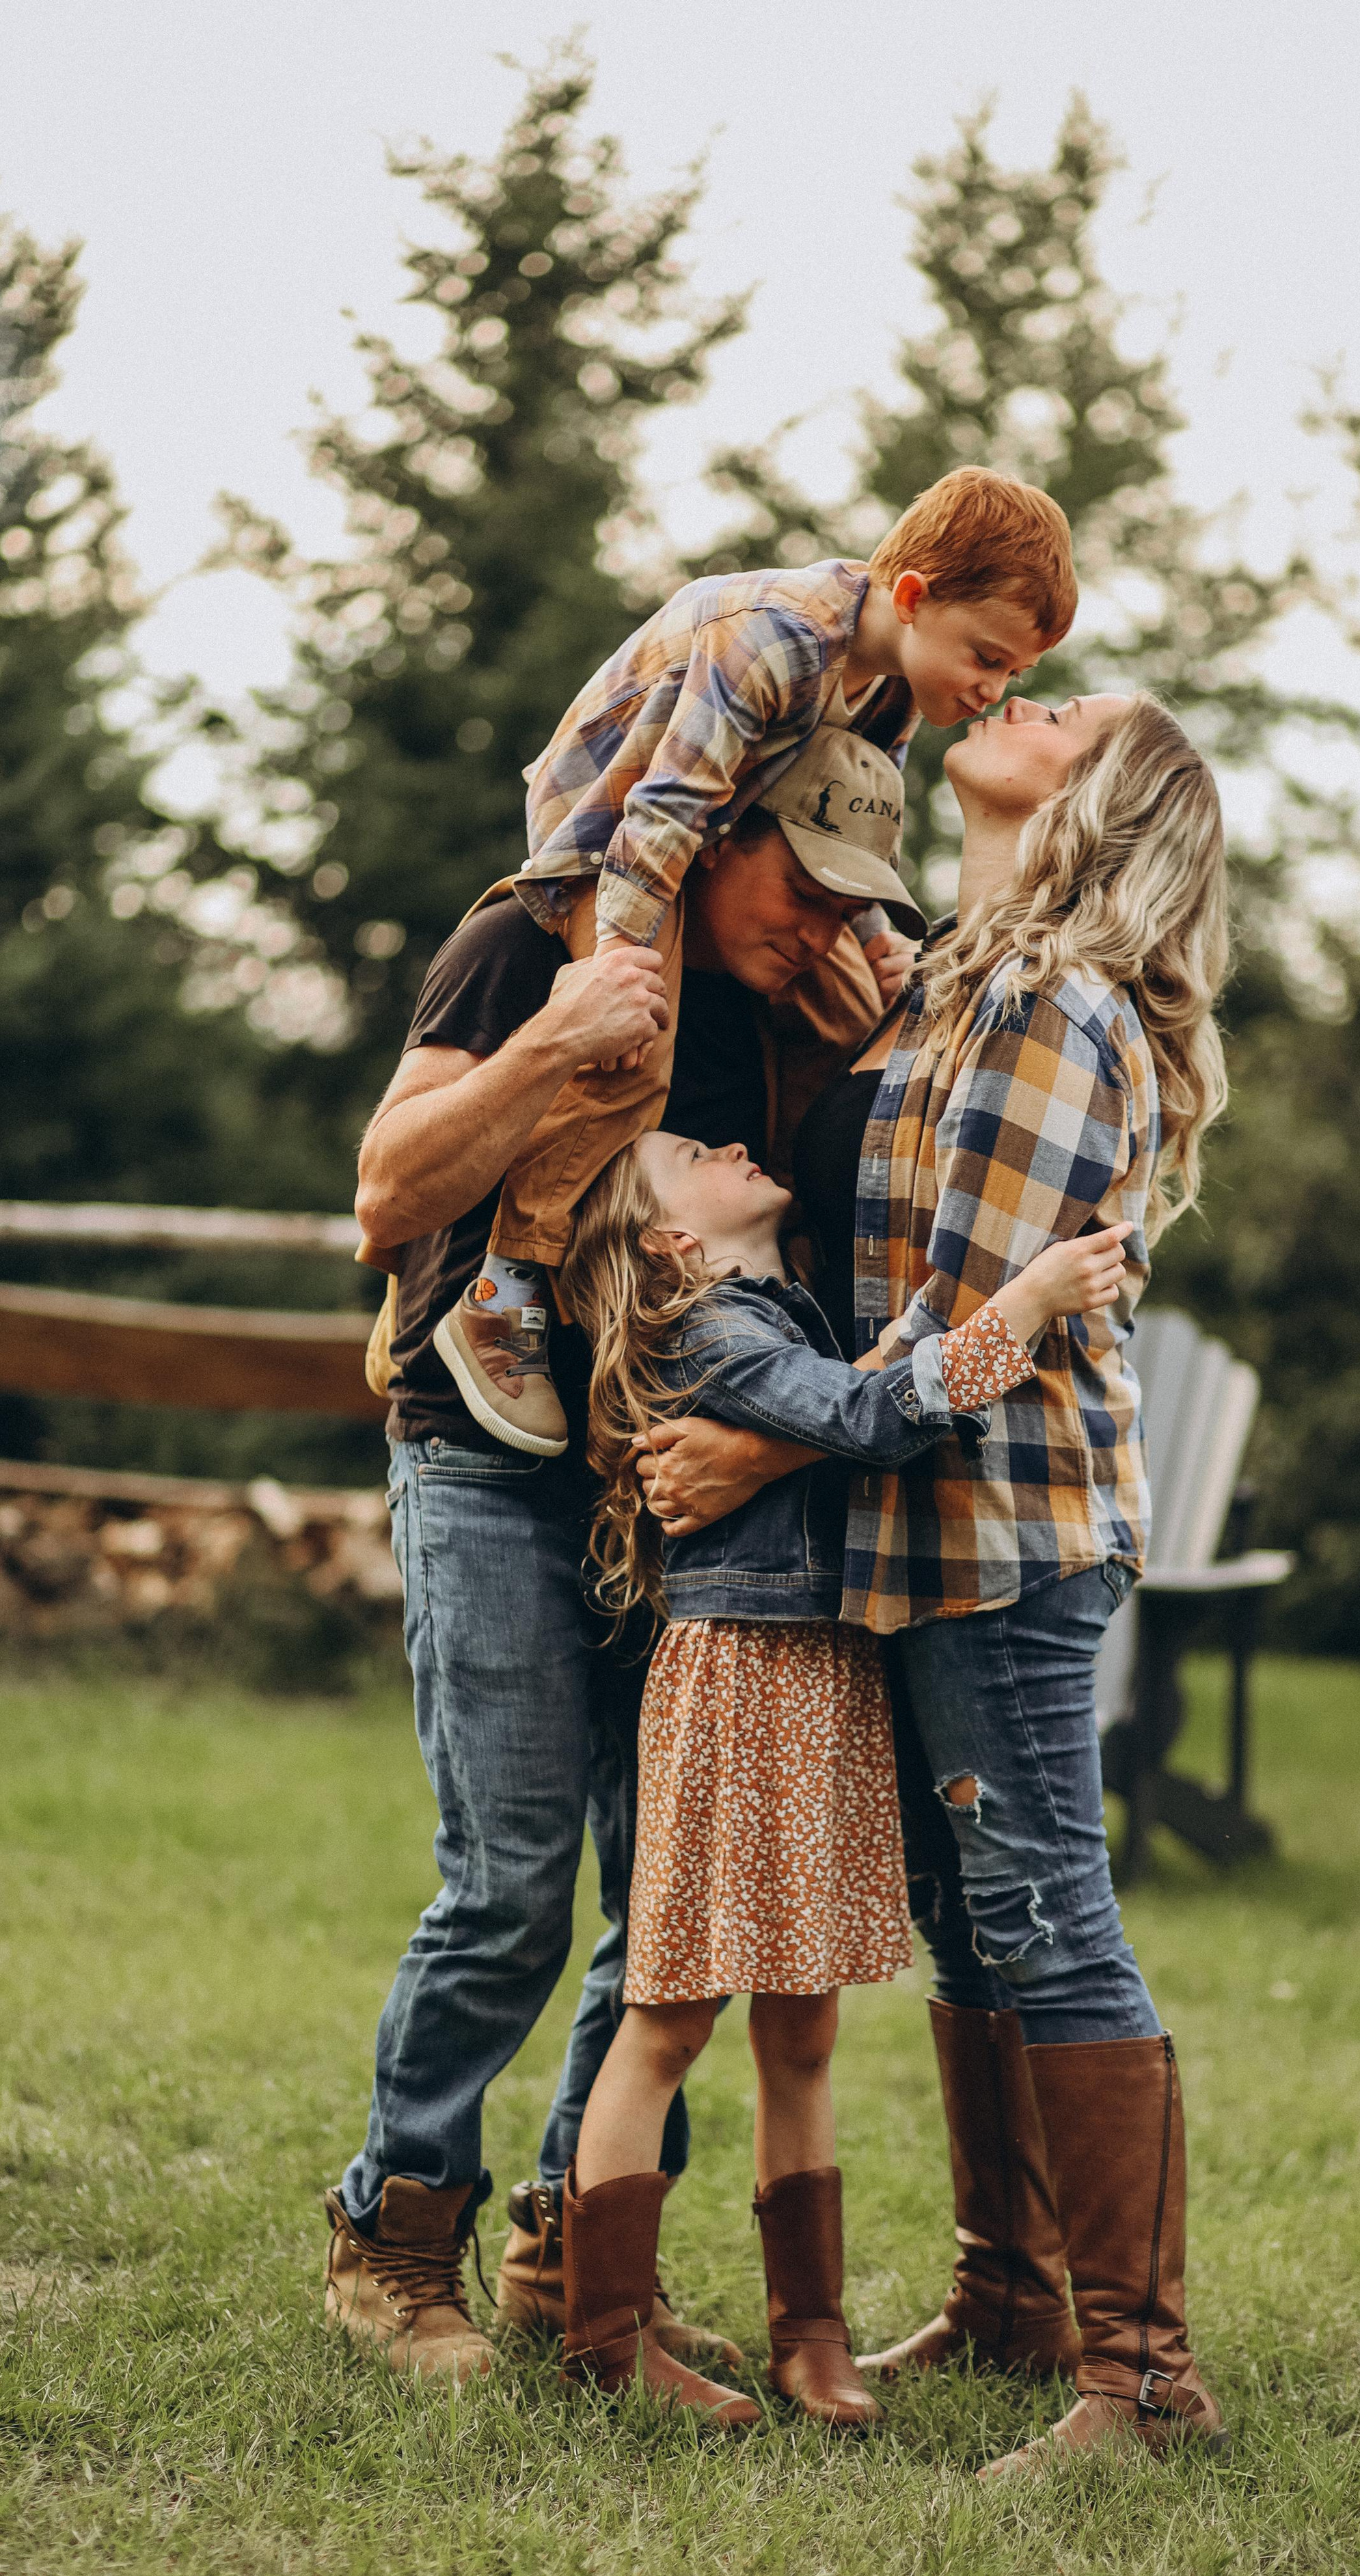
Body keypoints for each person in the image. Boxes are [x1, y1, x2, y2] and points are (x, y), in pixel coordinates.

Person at [634, 690, 1234, 2475]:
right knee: (977, 1922)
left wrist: (762, 1447)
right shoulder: (962, 984)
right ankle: (1010, 2295)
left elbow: (971, 1300)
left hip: (1006, 1529)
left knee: (1045, 1913)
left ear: (1104, 799)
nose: (1028, 694)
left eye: (1073, 710)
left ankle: (1143, 2382)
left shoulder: (1054, 1001)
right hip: (919, 1525)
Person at [323, 733, 923, 2385]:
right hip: (487, 1462)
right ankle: (394, 2241)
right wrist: (553, 1041)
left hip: (669, 1491)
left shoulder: (780, 1012)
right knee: (512, 1879)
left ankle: (575, 2260)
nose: (819, 927)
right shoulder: (527, 938)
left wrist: (857, 1045)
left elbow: (795, 1284)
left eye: (850, 906)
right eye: (801, 887)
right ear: (716, 837)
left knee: (657, 1903)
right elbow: (383, 1198)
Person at [553, 1127, 1132, 2427]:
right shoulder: (712, 1330)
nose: (736, 1143)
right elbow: (872, 1420)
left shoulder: (785, 1312)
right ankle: (604, 2333)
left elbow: (859, 1394)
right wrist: (1029, 1300)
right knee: (671, 2018)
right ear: (673, 1243)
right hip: (742, 1687)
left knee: (804, 2028)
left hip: (825, 1684)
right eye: (695, 1152)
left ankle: (808, 2335)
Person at [418, 468, 1078, 1459]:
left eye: (1015, 673)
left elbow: (861, 821)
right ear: (911, 596)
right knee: (632, 1045)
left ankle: (815, 1284)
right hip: (611, 837)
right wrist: (624, 968)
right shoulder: (775, 639)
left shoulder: (889, 686)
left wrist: (880, 947)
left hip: (713, 837)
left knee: (853, 1017)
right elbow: (663, 812)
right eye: (987, 657)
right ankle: (504, 1287)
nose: (994, 691)